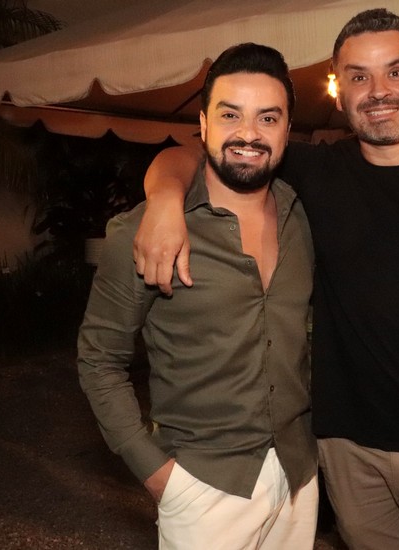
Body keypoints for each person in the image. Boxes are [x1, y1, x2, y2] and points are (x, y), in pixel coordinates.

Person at [133, 9, 399, 549]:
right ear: (338, 91)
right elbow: (192, 152)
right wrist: (163, 200)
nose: (378, 91)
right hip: (348, 455)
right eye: (358, 76)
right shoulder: (316, 173)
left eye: (395, 72)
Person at [77, 43, 318, 549]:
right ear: (204, 124)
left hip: (299, 476)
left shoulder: (302, 216)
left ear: (287, 130)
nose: (248, 133)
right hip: (203, 487)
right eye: (230, 115)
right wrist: (157, 474)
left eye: (267, 117)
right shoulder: (145, 232)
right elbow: (99, 358)